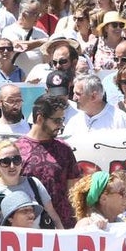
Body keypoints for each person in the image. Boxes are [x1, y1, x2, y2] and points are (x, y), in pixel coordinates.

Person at [18, 94, 82, 228]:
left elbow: (75, 191)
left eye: (62, 119)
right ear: (40, 118)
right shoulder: (17, 150)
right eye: (57, 120)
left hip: (63, 226)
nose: (61, 125)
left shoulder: (64, 149)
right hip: (29, 226)